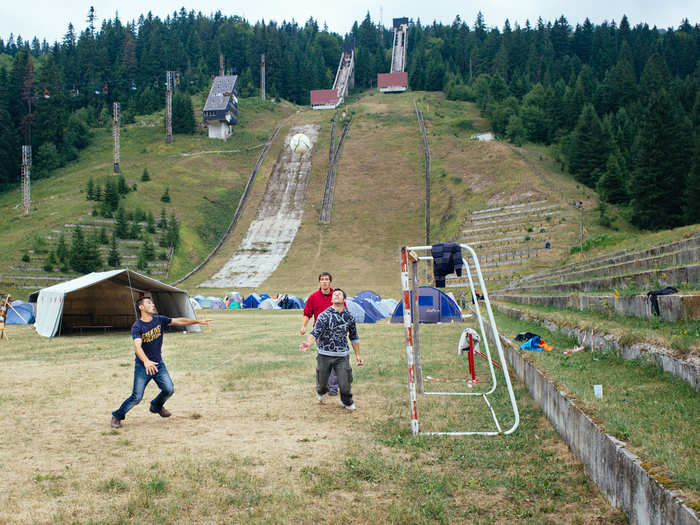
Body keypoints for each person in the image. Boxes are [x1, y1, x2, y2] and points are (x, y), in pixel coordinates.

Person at [110, 297, 210, 429]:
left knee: (169, 389)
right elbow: (137, 347)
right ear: (141, 308)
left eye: (152, 302)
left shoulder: (159, 320)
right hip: (143, 367)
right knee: (137, 397)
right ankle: (117, 416)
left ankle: (156, 406)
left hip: (158, 364)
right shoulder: (137, 326)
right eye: (149, 303)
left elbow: (179, 320)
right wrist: (146, 362)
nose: (153, 305)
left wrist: (198, 321)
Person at [299, 288, 363, 410]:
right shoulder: (324, 315)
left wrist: (358, 356)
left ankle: (347, 402)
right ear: (332, 300)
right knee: (323, 384)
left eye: (339, 294)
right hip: (324, 354)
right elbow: (315, 333)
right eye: (334, 294)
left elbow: (354, 337)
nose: (336, 295)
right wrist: (308, 343)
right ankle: (321, 391)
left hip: (342, 355)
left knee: (345, 383)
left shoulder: (349, 317)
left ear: (344, 300)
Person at [300, 272, 339, 395]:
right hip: (319, 334)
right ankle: (321, 387)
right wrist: (303, 326)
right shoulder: (313, 297)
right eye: (322, 279)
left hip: (335, 334)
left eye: (326, 279)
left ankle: (333, 388)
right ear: (319, 282)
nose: (324, 281)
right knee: (322, 361)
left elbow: (344, 313)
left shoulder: (337, 296)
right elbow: (307, 313)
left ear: (330, 282)